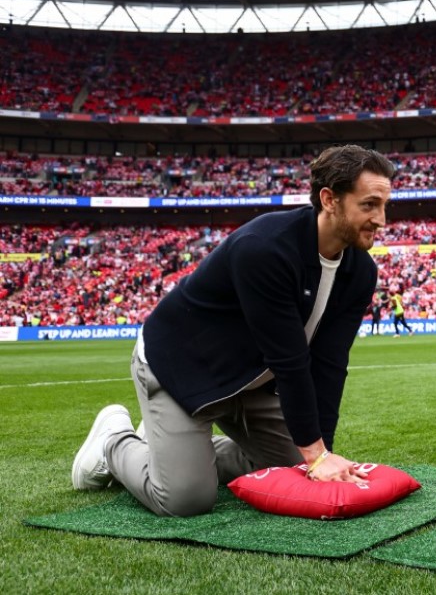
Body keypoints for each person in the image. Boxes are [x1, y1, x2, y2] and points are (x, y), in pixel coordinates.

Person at [71, 144, 396, 517]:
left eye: (385, 205)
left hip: (251, 380)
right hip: (185, 370)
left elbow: (329, 364)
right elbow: (291, 362)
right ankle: (113, 442)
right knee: (185, 500)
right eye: (369, 205)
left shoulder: (360, 271)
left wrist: (323, 454)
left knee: (298, 471)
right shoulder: (266, 249)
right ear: (329, 199)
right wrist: (317, 455)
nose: (382, 219)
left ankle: (176, 451)